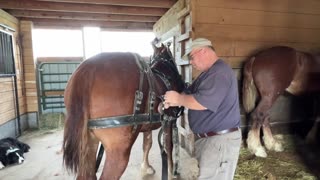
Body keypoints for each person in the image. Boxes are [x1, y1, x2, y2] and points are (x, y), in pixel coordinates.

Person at [163, 38, 242, 180]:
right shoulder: (207, 74)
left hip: (219, 142)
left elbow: (203, 102)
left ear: (203, 51)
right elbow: (188, 93)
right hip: (212, 140)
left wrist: (178, 99)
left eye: (191, 57)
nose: (191, 63)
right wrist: (173, 101)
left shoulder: (219, 73)